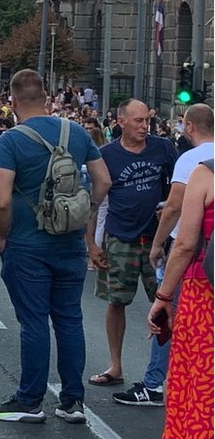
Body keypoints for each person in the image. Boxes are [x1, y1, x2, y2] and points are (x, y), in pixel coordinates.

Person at [0, 69, 109, 424]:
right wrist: (84, 212)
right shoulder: (77, 132)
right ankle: (73, 401)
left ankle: (30, 400)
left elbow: (1, 202)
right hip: (70, 243)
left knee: (34, 321)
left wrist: (1, 234)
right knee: (69, 319)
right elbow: (103, 180)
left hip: (28, 243)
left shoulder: (10, 141)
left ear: (12, 101)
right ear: (46, 97)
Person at [113, 103, 214, 407]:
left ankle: (154, 383)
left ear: (189, 126)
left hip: (199, 265)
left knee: (168, 320)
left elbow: (174, 209)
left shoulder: (195, 163)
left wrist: (158, 245)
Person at [89, 99, 177, 388]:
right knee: (116, 302)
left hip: (158, 240)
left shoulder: (163, 148)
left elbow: (180, 187)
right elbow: (94, 202)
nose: (144, 126)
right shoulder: (106, 155)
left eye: (147, 121)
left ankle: (165, 375)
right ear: (121, 121)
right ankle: (115, 366)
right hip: (120, 238)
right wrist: (92, 244)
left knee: (166, 304)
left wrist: (170, 207)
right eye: (138, 121)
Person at [147, 160, 213, 438]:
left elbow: (185, 244)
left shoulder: (206, 173)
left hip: (205, 295)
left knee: (199, 383)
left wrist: (164, 296)